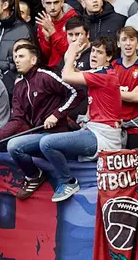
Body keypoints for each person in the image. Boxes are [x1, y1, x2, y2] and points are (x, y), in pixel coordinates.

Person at [18, 36, 122, 202]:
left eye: (100, 52)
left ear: (109, 57)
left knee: (48, 143)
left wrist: (72, 52)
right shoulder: (98, 73)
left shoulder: (104, 75)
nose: (94, 55)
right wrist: (71, 55)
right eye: (93, 51)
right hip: (92, 129)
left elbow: (66, 76)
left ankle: (68, 182)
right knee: (22, 145)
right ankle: (37, 176)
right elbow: (70, 71)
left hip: (103, 137)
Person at [0, 43, 79, 198]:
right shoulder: (18, 85)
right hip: (38, 135)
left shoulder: (45, 75)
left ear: (33, 60)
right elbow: (17, 119)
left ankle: (67, 181)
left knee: (28, 144)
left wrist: (57, 115)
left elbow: (76, 93)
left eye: (21, 56)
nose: (17, 60)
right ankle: (34, 176)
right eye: (16, 57)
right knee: (11, 145)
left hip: (57, 133)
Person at [112, 27, 138, 149]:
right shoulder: (112, 66)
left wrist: (114, 91)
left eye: (132, 39)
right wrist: (130, 94)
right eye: (124, 39)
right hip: (115, 127)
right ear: (119, 44)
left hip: (136, 127)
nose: (128, 43)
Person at [36, 0, 78, 70]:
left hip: (69, 68)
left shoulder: (74, 19)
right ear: (43, 3)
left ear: (62, 2)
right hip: (50, 69)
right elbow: (44, 57)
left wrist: (53, 32)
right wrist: (47, 40)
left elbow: (69, 52)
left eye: (56, 2)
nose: (52, 7)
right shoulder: (44, 23)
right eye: (48, 3)